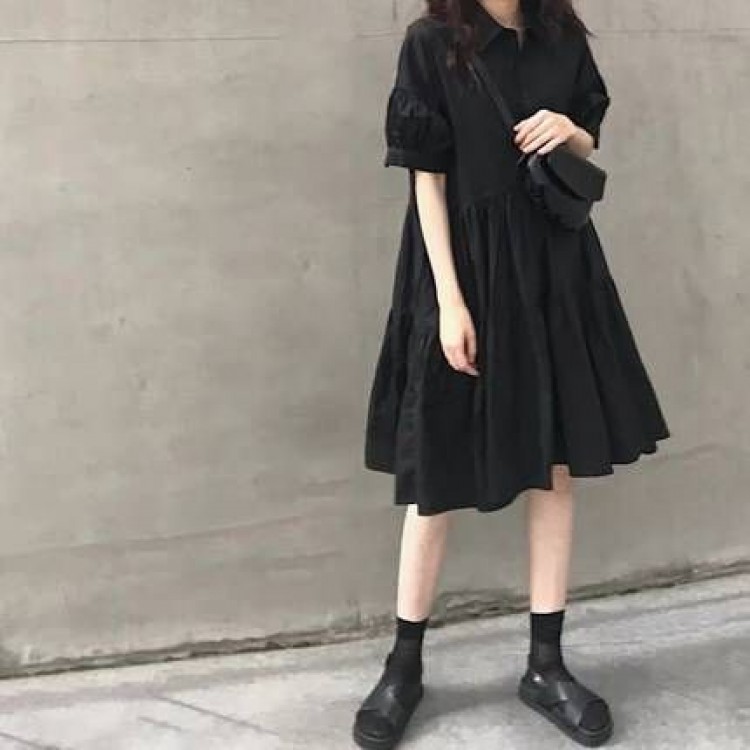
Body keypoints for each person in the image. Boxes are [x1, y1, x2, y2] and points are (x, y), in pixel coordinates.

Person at [353, 0, 670, 747]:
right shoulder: (432, 43)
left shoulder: (561, 36)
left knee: (553, 463)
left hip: (556, 273)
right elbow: (426, 182)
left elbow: (588, 132)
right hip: (463, 273)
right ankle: (403, 667)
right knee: (436, 472)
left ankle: (545, 664)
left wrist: (570, 130)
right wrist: (449, 301)